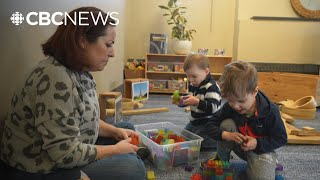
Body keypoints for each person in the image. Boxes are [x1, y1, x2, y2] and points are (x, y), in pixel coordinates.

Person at [0, 7, 146, 180]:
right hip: (39, 168)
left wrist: (114, 132)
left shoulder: (80, 71)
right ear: (82, 41)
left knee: (126, 129)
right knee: (132, 169)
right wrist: (115, 150)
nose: (112, 53)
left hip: (66, 151)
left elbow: (85, 118)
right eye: (108, 44)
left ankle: (125, 154)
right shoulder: (55, 78)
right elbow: (64, 154)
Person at [205, 61, 287, 179]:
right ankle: (221, 161)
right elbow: (210, 124)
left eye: (241, 101)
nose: (235, 106)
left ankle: (269, 164)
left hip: (261, 151)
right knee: (226, 124)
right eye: (230, 100)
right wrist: (225, 134)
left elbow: (281, 138)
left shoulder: (271, 111)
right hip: (241, 146)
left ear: (255, 92)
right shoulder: (231, 106)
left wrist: (257, 143)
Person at [180, 53, 222, 151]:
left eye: (194, 76)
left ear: (206, 71)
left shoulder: (212, 87)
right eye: (188, 77)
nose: (191, 80)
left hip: (208, 123)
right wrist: (181, 101)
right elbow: (188, 99)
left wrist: (196, 102)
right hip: (195, 120)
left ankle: (214, 144)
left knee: (199, 145)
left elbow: (212, 108)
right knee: (183, 138)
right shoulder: (194, 84)